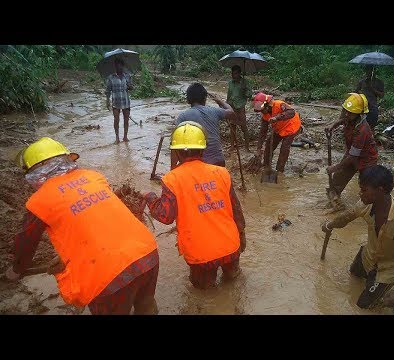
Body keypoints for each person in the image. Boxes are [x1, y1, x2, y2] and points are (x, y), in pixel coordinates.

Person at [5, 137, 159, 315]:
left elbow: (26, 243)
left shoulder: (39, 201)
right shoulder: (93, 176)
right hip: (147, 252)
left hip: (108, 274)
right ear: (67, 160)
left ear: (35, 172)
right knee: (146, 305)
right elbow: (97, 219)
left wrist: (16, 270)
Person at [145, 121, 246, 290]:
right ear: (203, 149)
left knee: (203, 292)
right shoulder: (221, 173)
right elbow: (236, 209)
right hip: (231, 245)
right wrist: (241, 236)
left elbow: (165, 216)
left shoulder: (172, 179)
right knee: (233, 283)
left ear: (176, 152)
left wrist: (150, 197)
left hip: (201, 254)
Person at [322, 165, 394, 309]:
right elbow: (346, 217)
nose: (360, 194)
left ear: (380, 190)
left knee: (363, 307)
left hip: (389, 269)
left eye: (364, 190)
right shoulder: (364, 204)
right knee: (353, 275)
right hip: (367, 256)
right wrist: (330, 225)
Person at [324, 93, 378, 202]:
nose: (347, 114)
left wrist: (334, 168)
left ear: (359, 114)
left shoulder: (362, 130)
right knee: (336, 181)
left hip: (366, 160)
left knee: (366, 187)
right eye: (346, 111)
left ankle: (369, 207)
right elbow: (343, 119)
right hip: (351, 153)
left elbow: (353, 157)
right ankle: (334, 201)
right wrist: (333, 126)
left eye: (350, 113)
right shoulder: (350, 116)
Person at [172, 83, 237, 169]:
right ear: (205, 98)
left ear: (188, 100)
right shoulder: (214, 111)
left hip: (198, 165)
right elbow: (232, 113)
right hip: (218, 162)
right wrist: (220, 101)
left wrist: (173, 169)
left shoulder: (183, 116)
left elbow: (175, 144)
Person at [253, 92, 302, 174]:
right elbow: (262, 133)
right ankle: (266, 166)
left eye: (262, 110)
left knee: (284, 148)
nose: (262, 112)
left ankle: (279, 170)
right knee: (269, 145)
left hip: (291, 126)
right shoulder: (265, 115)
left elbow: (291, 112)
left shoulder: (279, 104)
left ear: (267, 105)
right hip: (279, 128)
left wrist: (277, 118)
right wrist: (258, 149)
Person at [106, 57, 133, 144]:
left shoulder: (127, 76)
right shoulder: (111, 77)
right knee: (116, 119)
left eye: (120, 65)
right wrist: (107, 101)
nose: (119, 67)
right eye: (117, 65)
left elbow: (131, 87)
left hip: (125, 101)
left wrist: (130, 86)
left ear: (123, 66)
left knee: (126, 119)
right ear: (115, 66)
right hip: (115, 102)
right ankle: (117, 137)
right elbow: (108, 90)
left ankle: (125, 136)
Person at [227, 65, 253, 152]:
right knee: (232, 127)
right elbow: (229, 95)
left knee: (244, 127)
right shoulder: (230, 83)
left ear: (239, 74)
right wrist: (226, 106)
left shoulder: (245, 82)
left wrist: (244, 90)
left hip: (240, 107)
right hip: (232, 106)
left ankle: (247, 147)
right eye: (232, 73)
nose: (233, 75)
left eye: (235, 74)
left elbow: (249, 95)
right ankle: (232, 146)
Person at [355, 65, 384, 131]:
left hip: (373, 106)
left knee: (372, 124)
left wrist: (372, 89)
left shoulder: (379, 82)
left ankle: (370, 137)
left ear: (374, 72)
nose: (369, 73)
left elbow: (382, 95)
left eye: (370, 71)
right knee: (360, 125)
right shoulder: (362, 82)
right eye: (367, 70)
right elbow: (355, 92)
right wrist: (360, 93)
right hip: (362, 106)